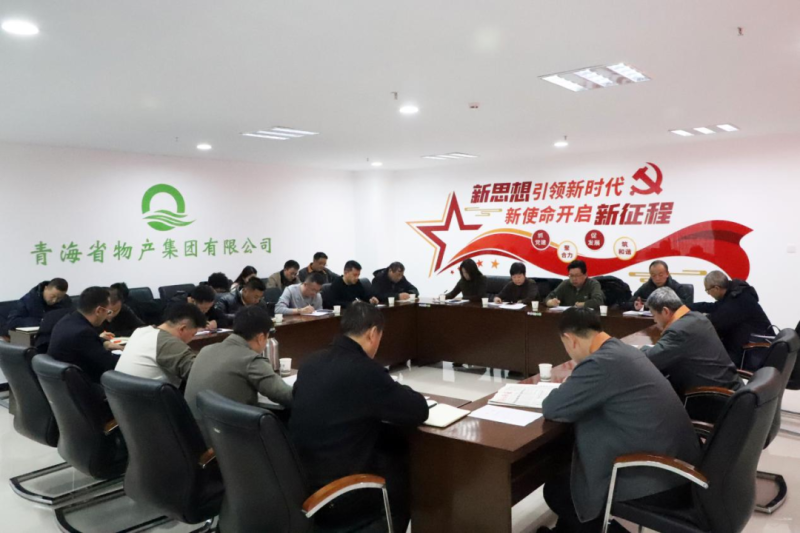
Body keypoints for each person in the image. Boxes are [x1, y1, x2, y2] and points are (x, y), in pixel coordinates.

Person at [539, 308, 701, 533]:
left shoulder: (601, 362)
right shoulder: (620, 350)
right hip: (678, 465)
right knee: (570, 477)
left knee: (558, 490)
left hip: (659, 477)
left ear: (570, 339)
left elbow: (553, 407)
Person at [290, 303, 428, 532]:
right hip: (340, 494)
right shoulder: (365, 371)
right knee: (402, 472)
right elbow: (418, 410)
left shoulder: (310, 362)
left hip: (301, 482)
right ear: (373, 333)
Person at [184, 306, 292, 430]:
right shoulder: (250, 359)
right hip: (228, 435)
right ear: (261, 337)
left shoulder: (205, 350)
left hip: (194, 431)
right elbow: (286, 395)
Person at [641, 287, 742, 395]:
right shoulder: (698, 317)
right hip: (731, 386)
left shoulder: (679, 331)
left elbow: (650, 359)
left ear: (665, 311)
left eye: (654, 315)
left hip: (713, 396)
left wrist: (642, 348)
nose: (654, 320)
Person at [689, 271, 772, 369]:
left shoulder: (736, 301)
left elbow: (715, 322)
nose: (708, 294)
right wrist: (686, 307)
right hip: (749, 343)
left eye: (708, 290)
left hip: (752, 352)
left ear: (716, 288)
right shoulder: (736, 293)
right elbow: (714, 307)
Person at [114, 303, 206, 386]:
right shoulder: (168, 342)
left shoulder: (140, 331)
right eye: (193, 334)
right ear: (182, 329)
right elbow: (198, 373)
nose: (192, 339)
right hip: (150, 397)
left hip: (121, 396)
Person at [48, 287, 120, 384]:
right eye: (108, 312)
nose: (107, 316)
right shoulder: (83, 332)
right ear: (99, 311)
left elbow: (89, 345)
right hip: (84, 386)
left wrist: (105, 343)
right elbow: (109, 364)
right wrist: (130, 356)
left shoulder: (68, 320)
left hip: (62, 385)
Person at [5, 278, 71, 333]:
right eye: (52, 296)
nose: (55, 300)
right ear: (46, 288)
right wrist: (42, 321)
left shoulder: (65, 301)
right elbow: (12, 322)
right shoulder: (28, 300)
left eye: (59, 298)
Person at [622, 260, 693, 311]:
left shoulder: (676, 287)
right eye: (653, 275)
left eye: (660, 275)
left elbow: (687, 306)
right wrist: (634, 305)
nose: (657, 278)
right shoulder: (646, 287)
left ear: (667, 274)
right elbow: (628, 302)